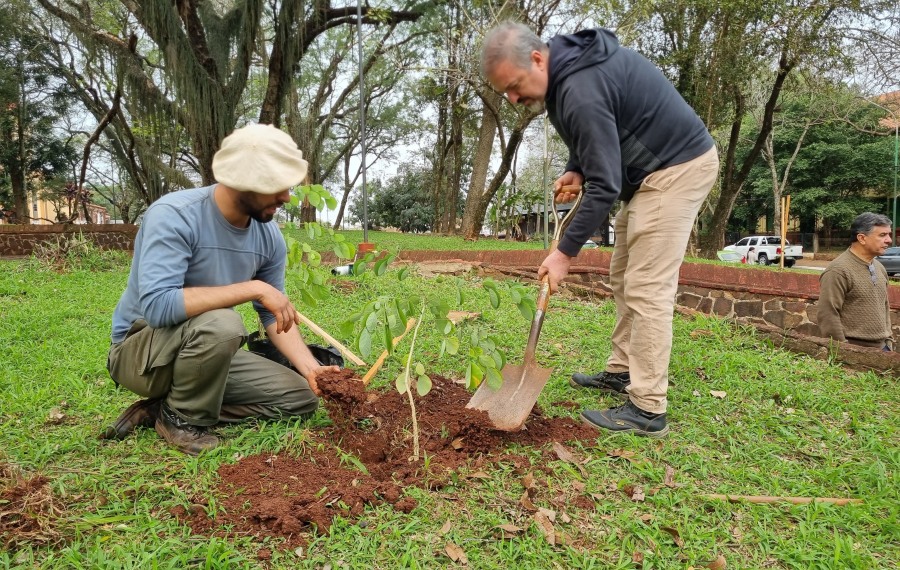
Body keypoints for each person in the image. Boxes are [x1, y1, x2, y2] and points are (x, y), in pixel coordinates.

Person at [481, 22, 719, 437]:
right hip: (648, 174)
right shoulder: (567, 73)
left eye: (515, 86)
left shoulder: (580, 89)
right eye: (506, 92)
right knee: (624, 275)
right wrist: (576, 165)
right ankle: (623, 371)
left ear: (537, 59)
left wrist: (564, 252)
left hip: (675, 169)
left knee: (647, 285)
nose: (514, 98)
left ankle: (647, 408)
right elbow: (595, 132)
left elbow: (605, 185)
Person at [104, 124, 339, 455]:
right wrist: (253, 288)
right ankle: (182, 421)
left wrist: (312, 370)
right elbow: (158, 307)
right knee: (223, 323)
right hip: (140, 353)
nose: (286, 197)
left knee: (299, 399)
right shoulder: (174, 216)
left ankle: (162, 410)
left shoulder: (269, 237)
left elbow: (274, 317)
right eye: (276, 187)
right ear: (242, 181)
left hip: (202, 353)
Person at [817, 212, 894, 351]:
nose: (889, 240)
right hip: (855, 350)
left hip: (883, 347)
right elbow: (827, 314)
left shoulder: (879, 267)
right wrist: (842, 350)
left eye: (889, 235)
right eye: (882, 235)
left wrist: (888, 340)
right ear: (862, 238)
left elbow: (884, 306)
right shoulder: (838, 270)